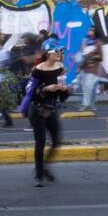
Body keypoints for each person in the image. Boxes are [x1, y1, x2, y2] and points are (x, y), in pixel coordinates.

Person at [28, 39, 69, 187]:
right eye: (56, 50)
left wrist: (65, 91)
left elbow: (62, 97)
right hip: (37, 109)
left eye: (60, 51)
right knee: (40, 142)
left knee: (57, 141)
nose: (59, 53)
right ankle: (39, 176)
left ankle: (44, 167)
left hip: (51, 109)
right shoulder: (37, 70)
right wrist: (46, 89)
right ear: (48, 52)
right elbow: (30, 93)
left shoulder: (60, 67)